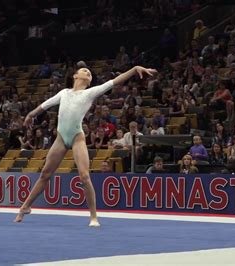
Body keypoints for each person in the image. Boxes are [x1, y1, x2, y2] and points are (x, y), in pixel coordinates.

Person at [14, 65, 157, 226]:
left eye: (89, 72)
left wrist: (134, 69)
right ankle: (25, 207)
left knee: (84, 175)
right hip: (61, 138)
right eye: (84, 70)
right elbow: (45, 105)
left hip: (77, 137)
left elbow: (114, 81)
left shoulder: (89, 93)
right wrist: (30, 114)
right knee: (45, 174)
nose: (88, 72)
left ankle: (94, 216)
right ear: (75, 76)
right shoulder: (64, 93)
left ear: (89, 82)